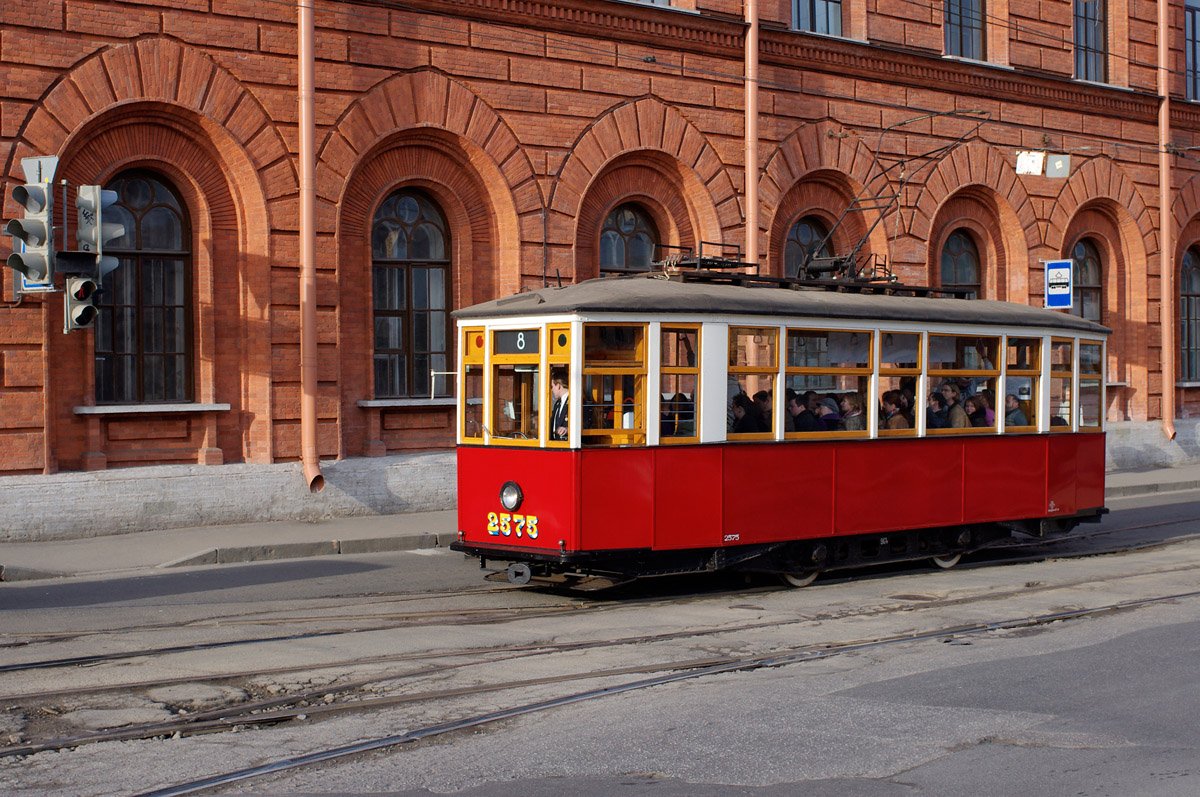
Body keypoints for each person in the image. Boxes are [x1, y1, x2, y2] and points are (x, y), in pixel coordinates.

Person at [549, 368, 569, 441]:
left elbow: (585, 425)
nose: (551, 390)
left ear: (558, 386)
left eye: (552, 387)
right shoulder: (558, 403)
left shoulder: (574, 401)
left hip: (566, 447)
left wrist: (567, 430)